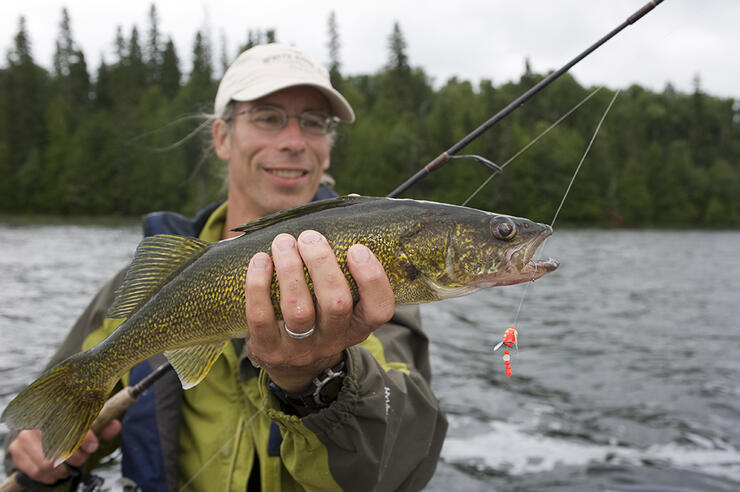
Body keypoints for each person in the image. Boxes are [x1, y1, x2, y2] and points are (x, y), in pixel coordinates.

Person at [3, 43, 447, 491]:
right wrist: (45, 454)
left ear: (327, 150)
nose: (293, 141)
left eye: (314, 123)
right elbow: (42, 432)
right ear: (221, 137)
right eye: (268, 117)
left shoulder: (373, 283)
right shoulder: (148, 285)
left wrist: (318, 381)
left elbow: (398, 467)